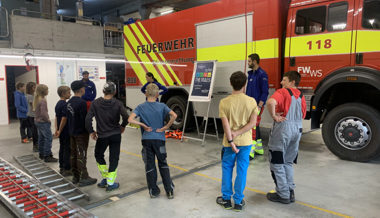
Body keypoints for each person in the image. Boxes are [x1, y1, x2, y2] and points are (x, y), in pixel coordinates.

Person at [216, 71, 258, 212]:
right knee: (242, 171)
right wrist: (239, 133)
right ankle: (238, 202)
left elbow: (225, 125)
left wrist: (232, 139)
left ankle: (226, 199)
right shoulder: (252, 102)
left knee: (227, 168)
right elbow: (253, 123)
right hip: (246, 143)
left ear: (230, 83)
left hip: (229, 143)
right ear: (245, 84)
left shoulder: (224, 102)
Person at [128, 83, 176, 199]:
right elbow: (174, 115)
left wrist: (142, 124)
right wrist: (166, 127)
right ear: (157, 94)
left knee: (150, 165)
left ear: (146, 93)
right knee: (163, 163)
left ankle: (153, 191)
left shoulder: (140, 107)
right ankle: (169, 191)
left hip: (146, 140)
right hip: (159, 140)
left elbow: (130, 119)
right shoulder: (162, 106)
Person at [265, 71, 306, 204]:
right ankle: (290, 191)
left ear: (292, 82)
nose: (282, 82)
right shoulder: (302, 96)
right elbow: (303, 115)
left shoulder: (282, 92)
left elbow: (270, 102)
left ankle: (283, 194)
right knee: (288, 162)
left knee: (276, 162)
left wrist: (274, 116)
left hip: (283, 129)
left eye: (284, 80)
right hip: (298, 129)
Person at [85, 82, 129, 192]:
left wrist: (91, 131)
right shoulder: (118, 103)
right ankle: (110, 182)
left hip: (102, 136)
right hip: (115, 135)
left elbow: (87, 119)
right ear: (115, 92)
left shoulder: (95, 103)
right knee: (114, 158)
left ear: (103, 91)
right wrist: (122, 126)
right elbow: (126, 116)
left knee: (98, 155)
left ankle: (105, 178)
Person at [67, 80, 97, 187]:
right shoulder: (82, 103)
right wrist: (91, 131)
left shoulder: (69, 102)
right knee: (82, 154)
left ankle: (75, 176)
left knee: (74, 154)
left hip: (71, 132)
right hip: (81, 133)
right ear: (81, 90)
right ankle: (84, 177)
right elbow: (86, 120)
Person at [246, 53, 269, 160]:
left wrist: (259, 106)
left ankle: (250, 152)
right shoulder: (251, 74)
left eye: (249, 61)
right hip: (250, 105)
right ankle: (259, 149)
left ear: (255, 61)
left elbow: (265, 92)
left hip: (256, 106)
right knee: (256, 125)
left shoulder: (262, 74)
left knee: (253, 126)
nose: (248, 63)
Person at [33, 84, 58, 162]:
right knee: (48, 138)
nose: (48, 91)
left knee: (41, 138)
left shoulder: (37, 99)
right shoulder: (43, 100)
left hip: (37, 121)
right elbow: (43, 113)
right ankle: (47, 155)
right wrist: (48, 120)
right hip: (43, 122)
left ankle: (42, 153)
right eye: (47, 90)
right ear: (44, 91)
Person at [55, 86, 72, 177]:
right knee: (67, 149)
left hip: (60, 130)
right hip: (65, 130)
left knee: (62, 147)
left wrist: (57, 129)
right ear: (63, 94)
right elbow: (63, 118)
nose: (70, 94)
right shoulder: (65, 105)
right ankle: (67, 168)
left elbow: (56, 117)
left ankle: (61, 165)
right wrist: (60, 130)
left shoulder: (58, 104)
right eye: (69, 93)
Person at [26, 82, 39, 152]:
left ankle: (37, 144)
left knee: (36, 131)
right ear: (30, 88)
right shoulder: (29, 96)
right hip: (32, 115)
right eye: (34, 87)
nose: (35, 88)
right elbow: (33, 106)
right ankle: (35, 145)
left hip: (34, 115)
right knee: (35, 131)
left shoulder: (33, 95)